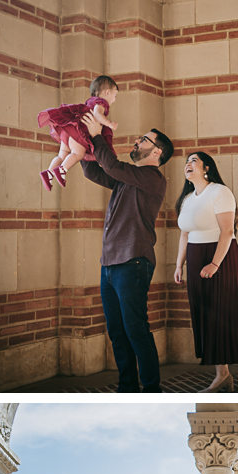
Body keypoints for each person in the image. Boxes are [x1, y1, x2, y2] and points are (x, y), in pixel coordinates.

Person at [80, 114, 173, 393]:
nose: (136, 140)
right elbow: (94, 171)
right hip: (108, 265)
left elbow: (111, 164)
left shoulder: (152, 178)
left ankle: (152, 390)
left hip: (133, 261)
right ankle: (127, 388)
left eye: (143, 139)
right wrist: (84, 141)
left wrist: (98, 136)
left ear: (157, 151)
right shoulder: (126, 178)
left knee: (136, 330)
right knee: (117, 333)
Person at [174, 151, 238, 393]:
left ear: (207, 168)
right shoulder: (187, 198)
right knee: (206, 317)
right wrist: (179, 264)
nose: (188, 165)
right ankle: (222, 374)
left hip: (221, 258)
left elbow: (227, 231)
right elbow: (184, 233)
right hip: (194, 258)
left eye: (193, 161)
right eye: (186, 162)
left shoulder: (220, 192)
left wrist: (214, 264)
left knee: (229, 317)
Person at [38, 75, 119, 190]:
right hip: (78, 133)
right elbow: (97, 115)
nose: (114, 99)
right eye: (115, 95)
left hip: (67, 130)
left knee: (62, 155)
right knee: (78, 154)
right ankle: (62, 170)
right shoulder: (101, 103)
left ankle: (48, 173)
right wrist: (109, 123)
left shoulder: (89, 101)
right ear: (107, 92)